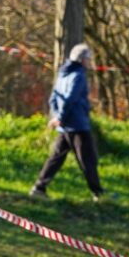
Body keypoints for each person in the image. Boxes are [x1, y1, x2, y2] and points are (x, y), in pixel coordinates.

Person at [30, 43, 105, 201]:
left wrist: (57, 116)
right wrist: (61, 117)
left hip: (64, 126)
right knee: (88, 159)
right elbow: (70, 99)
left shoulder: (62, 74)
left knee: (56, 158)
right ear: (82, 59)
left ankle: (39, 187)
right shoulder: (79, 75)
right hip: (77, 124)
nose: (89, 61)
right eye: (88, 58)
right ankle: (98, 193)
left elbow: (53, 98)